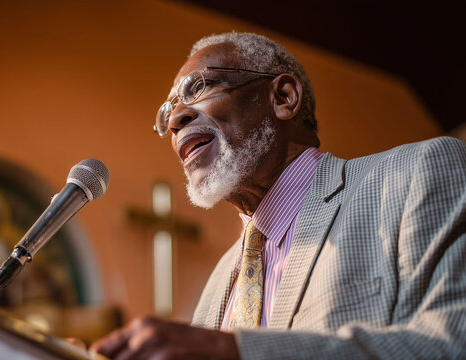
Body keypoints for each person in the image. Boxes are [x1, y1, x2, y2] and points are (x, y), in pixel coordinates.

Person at [90, 32, 466, 359]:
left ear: (283, 97)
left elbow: (454, 343)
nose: (175, 122)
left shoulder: (415, 174)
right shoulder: (221, 279)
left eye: (199, 87)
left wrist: (235, 352)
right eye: (167, 113)